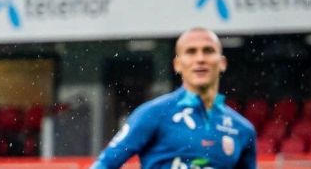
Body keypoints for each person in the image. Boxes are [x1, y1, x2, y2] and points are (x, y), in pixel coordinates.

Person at [91, 28, 256, 169]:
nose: (200, 59)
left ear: (222, 63)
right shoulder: (152, 114)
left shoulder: (242, 129)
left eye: (208, 51)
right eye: (191, 52)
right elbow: (104, 165)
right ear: (177, 64)